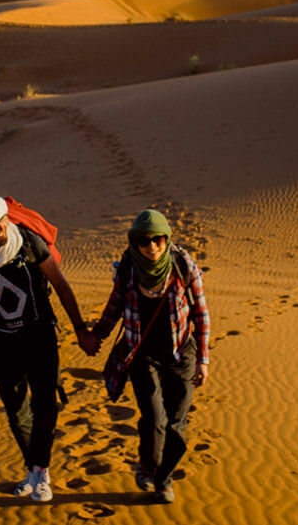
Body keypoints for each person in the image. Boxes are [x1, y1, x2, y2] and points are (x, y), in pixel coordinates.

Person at [0, 194, 93, 503]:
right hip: (1, 342)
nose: (1, 226)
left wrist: (80, 329)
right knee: (17, 412)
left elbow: (61, 284)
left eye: (2, 220)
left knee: (44, 405)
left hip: (40, 336)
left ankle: (41, 470)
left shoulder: (27, 242)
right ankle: (34, 468)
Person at [88, 209, 210, 504]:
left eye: (158, 239)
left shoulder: (183, 266)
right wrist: (95, 336)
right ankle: (148, 465)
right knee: (155, 417)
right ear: (135, 242)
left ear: (167, 239)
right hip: (141, 355)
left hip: (181, 353)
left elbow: (201, 314)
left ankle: (163, 478)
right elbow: (114, 306)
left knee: (176, 422)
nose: (152, 246)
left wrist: (204, 359)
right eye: (144, 240)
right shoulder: (129, 268)